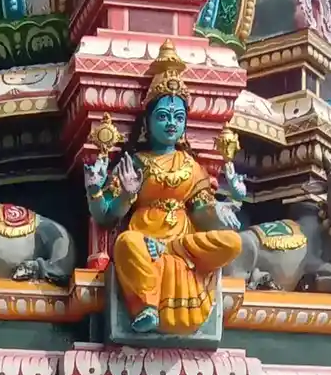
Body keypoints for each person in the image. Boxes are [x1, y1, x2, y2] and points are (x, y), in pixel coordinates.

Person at [86, 42, 242, 336]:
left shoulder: (191, 165)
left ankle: (169, 250)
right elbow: (104, 215)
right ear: (148, 122)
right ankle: (147, 306)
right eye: (163, 116)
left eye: (178, 117)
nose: (171, 123)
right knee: (126, 243)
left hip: (182, 243)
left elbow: (201, 211)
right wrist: (110, 192)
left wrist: (217, 210)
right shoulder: (136, 162)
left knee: (233, 242)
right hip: (144, 239)